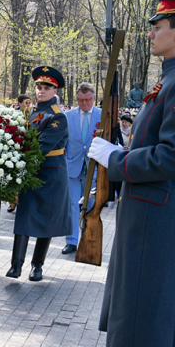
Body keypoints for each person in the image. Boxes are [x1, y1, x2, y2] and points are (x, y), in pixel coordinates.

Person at [88, 0, 175, 346]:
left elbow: (171, 157)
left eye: (158, 27)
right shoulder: (174, 77)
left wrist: (116, 159)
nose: (151, 34)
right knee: (142, 310)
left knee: (147, 317)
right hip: (153, 210)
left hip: (159, 215)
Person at [5, 66, 71, 282]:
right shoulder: (30, 112)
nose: (41, 91)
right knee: (24, 217)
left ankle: (37, 266)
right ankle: (16, 266)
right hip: (30, 172)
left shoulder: (58, 117)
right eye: (39, 87)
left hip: (51, 174)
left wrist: (16, 161)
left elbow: (41, 147)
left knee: (46, 221)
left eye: (46, 87)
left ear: (55, 91)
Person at [62, 82, 101, 255]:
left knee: (91, 204)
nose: (84, 103)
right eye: (80, 100)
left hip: (93, 166)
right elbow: (63, 139)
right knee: (72, 204)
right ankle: (71, 241)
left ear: (94, 98)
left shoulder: (102, 114)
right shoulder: (68, 116)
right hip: (72, 164)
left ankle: (88, 238)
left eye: (87, 100)